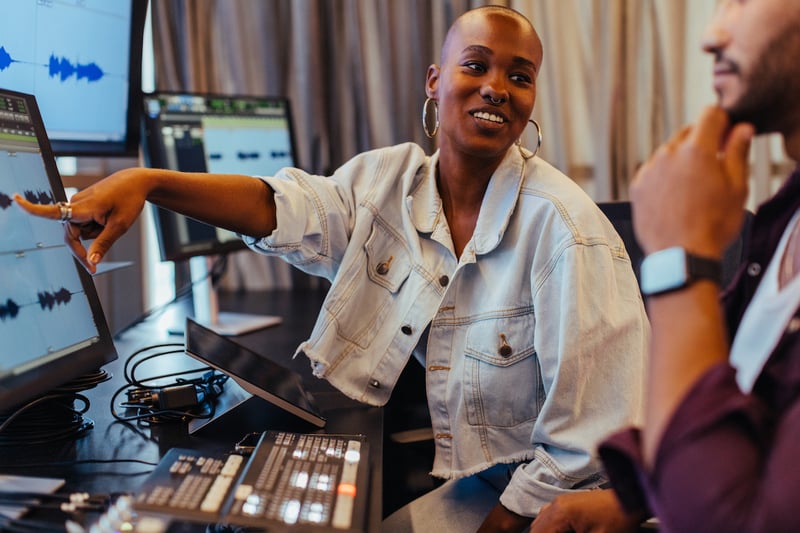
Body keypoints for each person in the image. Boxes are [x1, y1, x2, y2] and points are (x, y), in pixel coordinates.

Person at [15, 6, 648, 532]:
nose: (496, 88)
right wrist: (148, 181)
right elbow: (284, 207)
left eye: (520, 76)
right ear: (434, 80)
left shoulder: (565, 229)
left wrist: (504, 522)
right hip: (467, 472)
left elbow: (587, 445)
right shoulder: (388, 182)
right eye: (475, 66)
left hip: (549, 501)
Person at [542, 0, 800, 531]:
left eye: (742, 2)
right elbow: (756, 407)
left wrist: (679, 259)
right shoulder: (786, 214)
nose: (712, 35)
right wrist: (634, 498)